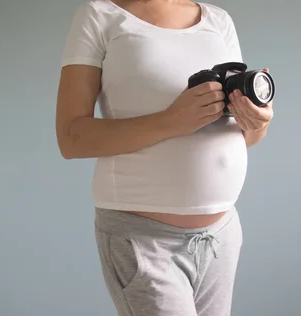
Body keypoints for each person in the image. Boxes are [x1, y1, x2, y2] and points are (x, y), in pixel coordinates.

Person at [55, 0, 274, 315]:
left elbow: (243, 137)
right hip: (144, 241)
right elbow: (71, 138)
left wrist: (259, 123)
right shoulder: (100, 15)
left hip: (221, 235)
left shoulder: (218, 20)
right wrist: (172, 121)